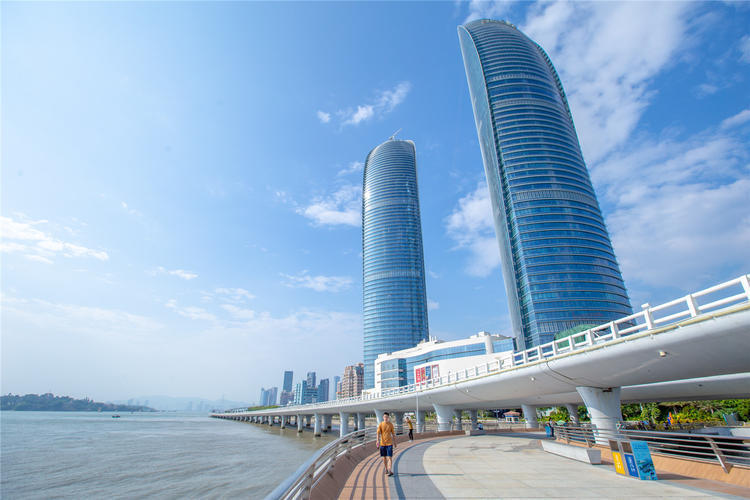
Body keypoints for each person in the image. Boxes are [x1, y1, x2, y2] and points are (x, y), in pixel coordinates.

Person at [377, 412, 397, 476]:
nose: (385, 418)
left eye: (387, 417)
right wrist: (377, 441)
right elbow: (378, 433)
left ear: (388, 418)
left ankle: (389, 470)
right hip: (382, 444)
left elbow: (393, 434)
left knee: (390, 457)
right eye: (384, 417)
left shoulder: (390, 425)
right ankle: (386, 469)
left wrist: (395, 442)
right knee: (384, 458)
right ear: (383, 417)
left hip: (389, 443)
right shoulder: (381, 424)